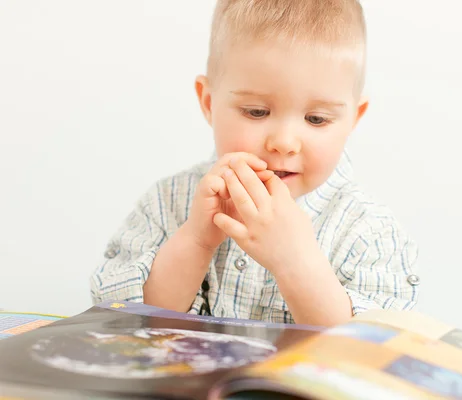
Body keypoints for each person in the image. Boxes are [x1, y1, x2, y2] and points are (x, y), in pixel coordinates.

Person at [90, 0, 421, 327]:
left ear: (352, 118)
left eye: (316, 119)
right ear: (208, 102)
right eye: (257, 112)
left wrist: (294, 261)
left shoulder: (369, 231)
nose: (284, 142)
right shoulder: (168, 202)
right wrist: (196, 241)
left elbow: (369, 351)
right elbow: (125, 322)